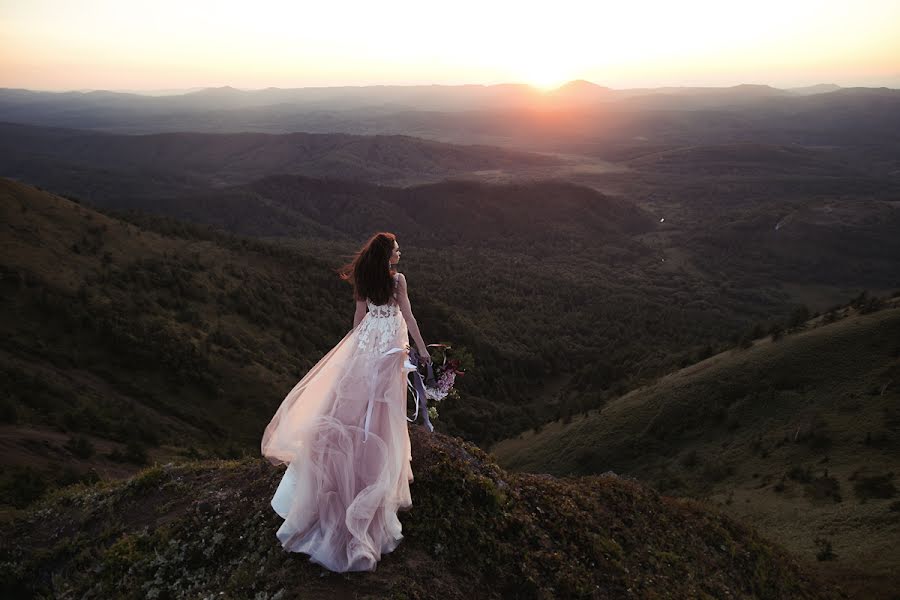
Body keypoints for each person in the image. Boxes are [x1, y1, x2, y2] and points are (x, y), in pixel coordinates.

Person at [261, 232, 432, 572]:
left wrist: (353, 351)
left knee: (353, 407)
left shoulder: (366, 277)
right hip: (387, 351)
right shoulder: (397, 281)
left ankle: (352, 460)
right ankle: (372, 467)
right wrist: (423, 350)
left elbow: (359, 318)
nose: (400, 252)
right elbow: (409, 318)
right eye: (397, 248)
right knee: (381, 411)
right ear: (387, 255)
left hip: (369, 345)